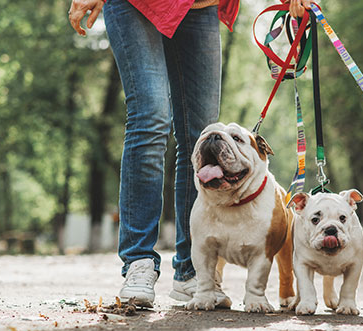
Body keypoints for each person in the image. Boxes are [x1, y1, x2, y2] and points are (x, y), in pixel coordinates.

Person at [67, 0, 313, 308]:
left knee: (201, 137)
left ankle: (190, 272)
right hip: (135, 5)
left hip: (199, 6)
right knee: (150, 117)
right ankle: (139, 262)